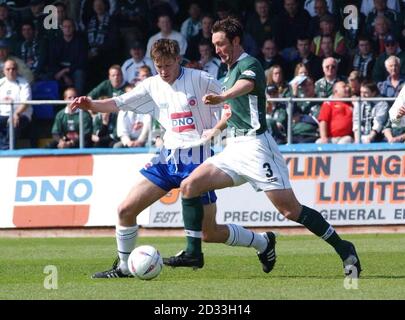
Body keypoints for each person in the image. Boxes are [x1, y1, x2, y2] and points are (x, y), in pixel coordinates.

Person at [164, 17, 361, 278]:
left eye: (221, 43)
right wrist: (214, 131)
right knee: (190, 186)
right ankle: (193, 252)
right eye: (214, 44)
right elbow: (230, 112)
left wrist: (223, 96)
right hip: (234, 147)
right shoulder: (227, 73)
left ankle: (344, 248)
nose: (217, 49)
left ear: (235, 41)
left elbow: (244, 87)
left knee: (290, 210)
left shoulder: (250, 64)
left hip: (257, 147)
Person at [70, 39, 274, 278]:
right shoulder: (152, 85)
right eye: (159, 67)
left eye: (168, 65)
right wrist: (91, 104)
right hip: (167, 159)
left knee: (209, 233)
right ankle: (124, 267)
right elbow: (119, 103)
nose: (164, 71)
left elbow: (232, 107)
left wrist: (215, 131)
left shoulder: (201, 80)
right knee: (125, 209)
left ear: (179, 59)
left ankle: (263, 242)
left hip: (198, 160)